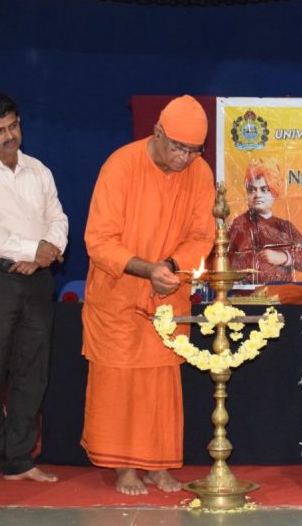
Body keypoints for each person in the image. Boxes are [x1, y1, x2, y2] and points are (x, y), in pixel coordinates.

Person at [82, 95, 216, 495]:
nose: (184, 158)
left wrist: (171, 267)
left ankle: (158, 465)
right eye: (178, 147)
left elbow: (202, 236)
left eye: (193, 150)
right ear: (157, 132)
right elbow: (99, 240)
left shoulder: (200, 172)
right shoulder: (121, 165)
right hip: (119, 294)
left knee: (162, 383)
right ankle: (125, 468)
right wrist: (147, 270)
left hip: (167, 294)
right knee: (120, 381)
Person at [0, 93, 68, 490]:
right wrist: (30, 249)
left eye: (14, 126)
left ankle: (19, 458)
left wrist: (45, 252)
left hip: (38, 280)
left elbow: (57, 216)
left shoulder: (38, 169)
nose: (9, 136)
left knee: (31, 372)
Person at [228, 158, 302, 284]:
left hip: (283, 293)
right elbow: (225, 261)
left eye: (264, 189)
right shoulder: (239, 225)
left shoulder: (285, 227)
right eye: (252, 190)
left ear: (274, 191)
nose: (257, 195)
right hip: (248, 294)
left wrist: (285, 257)